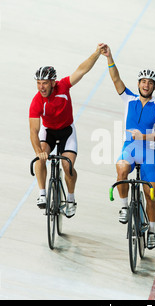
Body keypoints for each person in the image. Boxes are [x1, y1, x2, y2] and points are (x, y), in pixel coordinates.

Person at [101, 45, 155, 249]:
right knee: (121, 167)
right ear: (138, 83)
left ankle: (153, 231)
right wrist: (110, 57)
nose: (146, 85)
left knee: (151, 195)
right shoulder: (129, 99)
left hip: (147, 153)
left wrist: (144, 135)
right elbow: (115, 79)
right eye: (143, 81)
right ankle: (124, 208)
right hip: (130, 149)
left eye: (150, 83)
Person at [29, 43, 106, 218]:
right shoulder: (36, 101)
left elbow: (82, 70)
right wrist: (39, 152)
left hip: (66, 132)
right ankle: (42, 194)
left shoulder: (63, 86)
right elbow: (34, 131)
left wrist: (96, 53)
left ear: (53, 82)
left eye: (45, 83)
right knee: (39, 160)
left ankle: (70, 200)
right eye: (39, 83)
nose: (41, 87)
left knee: (67, 166)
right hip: (49, 132)